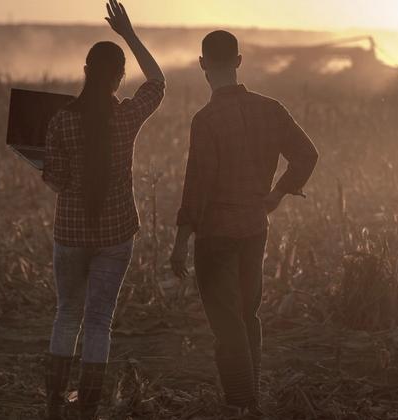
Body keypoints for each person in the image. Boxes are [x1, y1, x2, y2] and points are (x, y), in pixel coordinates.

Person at [169, 30, 319, 413]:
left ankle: (241, 401)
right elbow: (306, 155)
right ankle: (249, 400)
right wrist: (278, 194)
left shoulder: (206, 120)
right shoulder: (271, 109)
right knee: (247, 315)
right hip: (255, 226)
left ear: (203, 65)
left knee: (226, 322)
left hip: (216, 233)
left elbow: (197, 185)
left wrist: (181, 240)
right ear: (239, 61)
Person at [41, 1, 165, 419]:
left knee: (66, 314)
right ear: (118, 78)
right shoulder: (127, 117)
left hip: (70, 235)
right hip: (115, 236)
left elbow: (55, 179)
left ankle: (54, 398)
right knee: (99, 321)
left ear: (85, 72)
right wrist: (128, 34)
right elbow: (159, 82)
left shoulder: (60, 121)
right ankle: (89, 403)